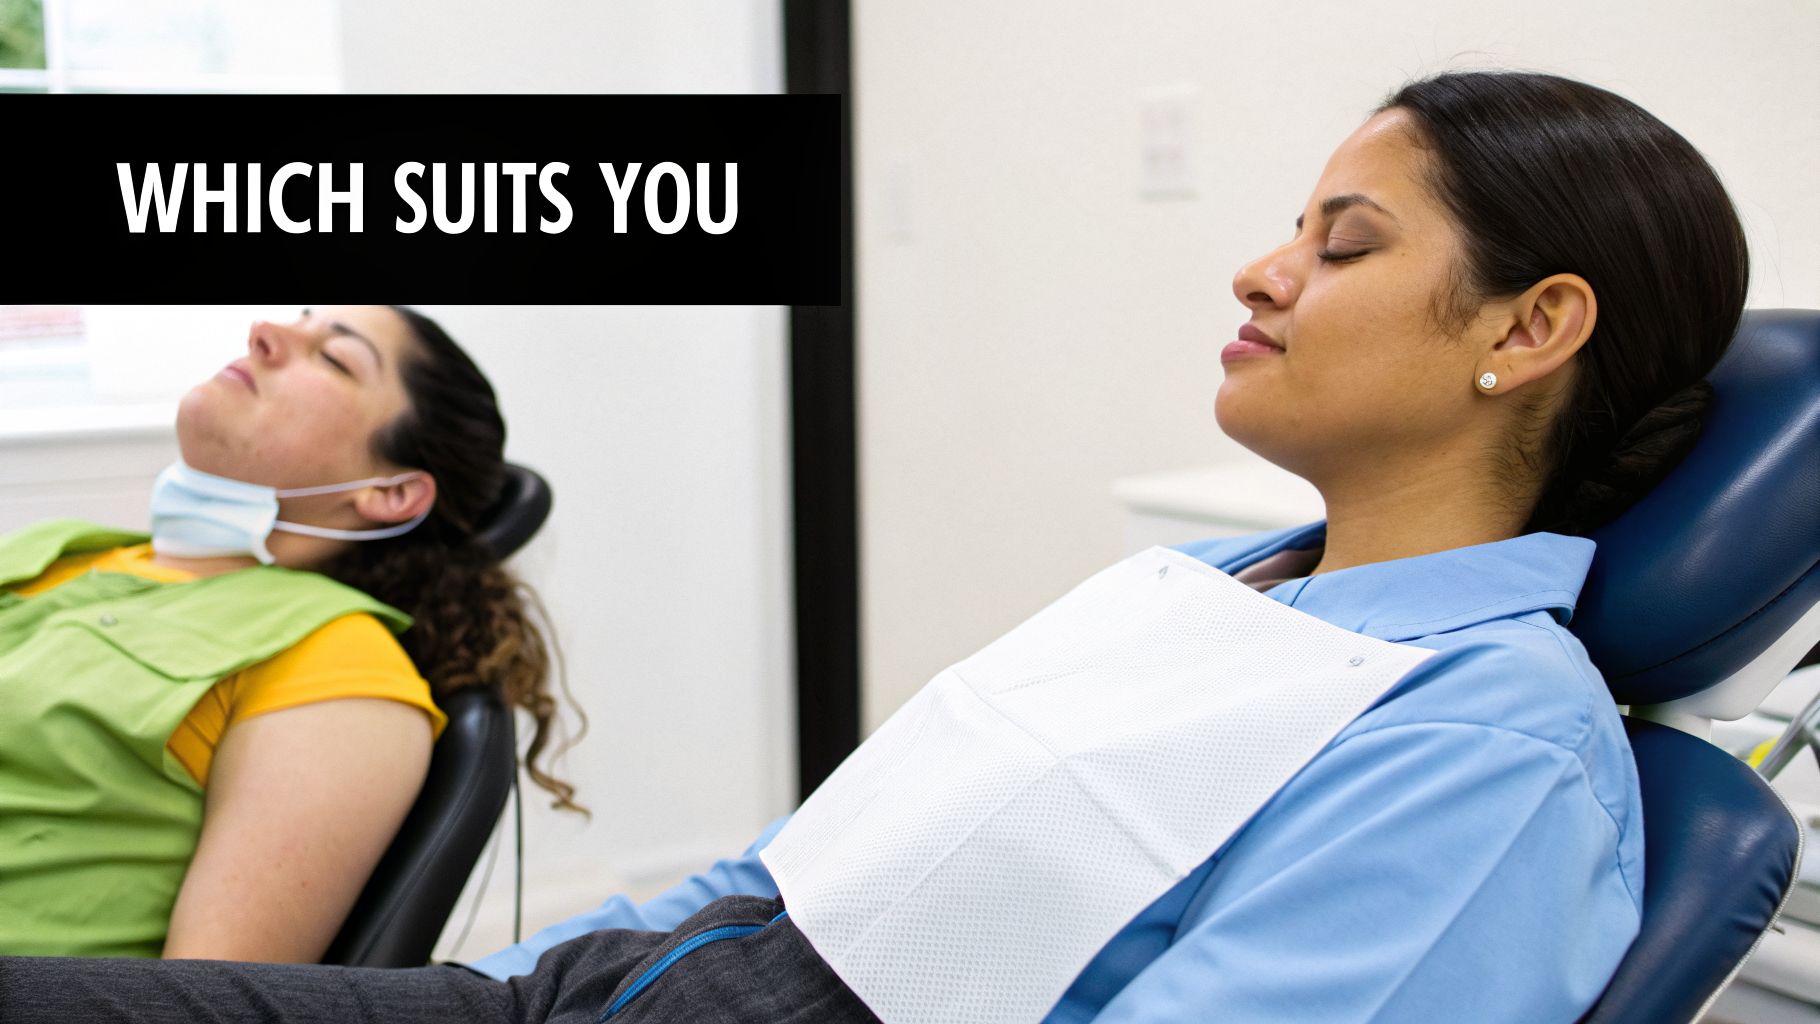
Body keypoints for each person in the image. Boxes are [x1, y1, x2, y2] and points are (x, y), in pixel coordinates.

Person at [0, 69, 1749, 1022]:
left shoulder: (1489, 749)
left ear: (1528, 328)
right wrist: (530, 975)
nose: (1260, 270)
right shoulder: (1199, 595)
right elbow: (811, 856)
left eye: (1342, 241)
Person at [0, 305, 575, 964]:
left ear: (391, 493)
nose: (263, 332)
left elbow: (206, 1005)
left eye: (334, 357)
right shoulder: (59, 550)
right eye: (299, 317)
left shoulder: (333, 666)